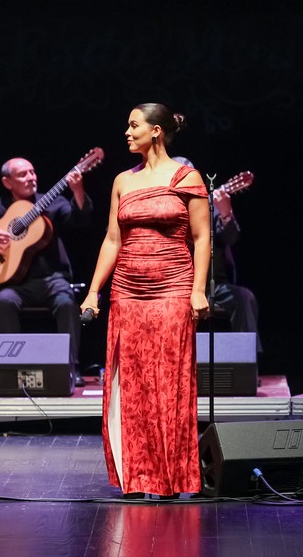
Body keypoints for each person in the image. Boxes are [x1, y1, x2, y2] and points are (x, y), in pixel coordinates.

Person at [79, 102, 210, 499]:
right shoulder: (122, 180)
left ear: (156, 131)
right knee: (132, 385)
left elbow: (202, 237)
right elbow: (112, 240)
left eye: (133, 125)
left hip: (173, 286)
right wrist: (93, 291)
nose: (126, 131)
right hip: (128, 291)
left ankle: (170, 479)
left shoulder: (187, 177)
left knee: (168, 382)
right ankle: (136, 477)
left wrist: (198, 290)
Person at [0, 157, 93, 387]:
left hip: (52, 280)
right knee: (4, 301)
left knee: (67, 302)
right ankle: (15, 367)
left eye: (32, 172)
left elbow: (80, 220)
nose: (31, 177)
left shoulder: (52, 203)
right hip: (16, 286)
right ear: (7, 182)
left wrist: (77, 190)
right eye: (23, 174)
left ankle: (71, 368)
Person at [174, 157, 262, 354]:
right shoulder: (163, 210)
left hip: (211, 286)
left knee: (244, 297)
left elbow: (231, 237)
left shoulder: (208, 208)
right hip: (174, 286)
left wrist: (225, 214)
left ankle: (245, 363)